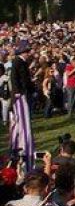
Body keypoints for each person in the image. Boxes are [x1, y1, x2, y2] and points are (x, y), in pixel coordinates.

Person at [9, 39, 35, 170]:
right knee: (22, 121)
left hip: (23, 93)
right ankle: (23, 144)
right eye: (27, 51)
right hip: (20, 95)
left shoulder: (22, 62)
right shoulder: (17, 62)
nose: (28, 53)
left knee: (23, 121)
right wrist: (18, 92)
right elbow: (15, 78)